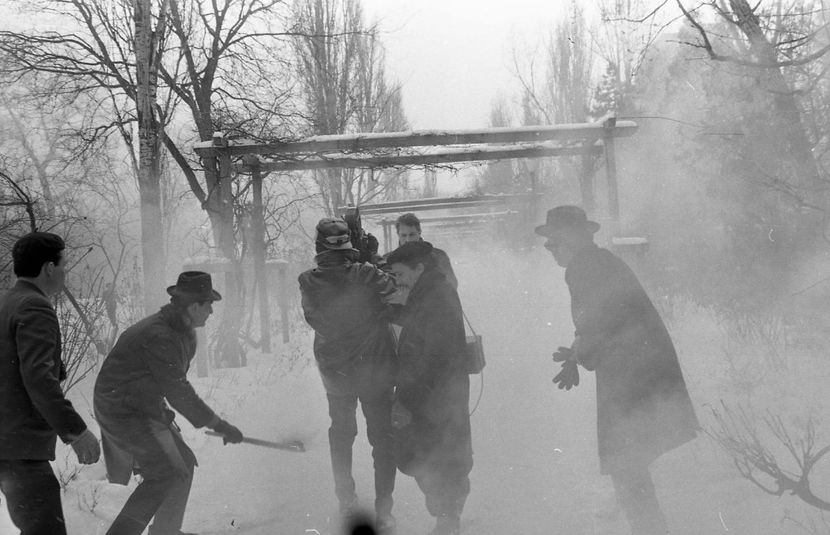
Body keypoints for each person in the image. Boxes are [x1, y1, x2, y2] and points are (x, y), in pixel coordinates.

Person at [536, 205, 699, 535]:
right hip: (638, 372)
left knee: (625, 465)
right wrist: (577, 353)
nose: (549, 248)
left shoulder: (584, 268)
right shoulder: (597, 263)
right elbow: (599, 321)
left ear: (572, 238)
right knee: (628, 465)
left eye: (553, 241)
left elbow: (598, 322)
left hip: (634, 375)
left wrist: (581, 353)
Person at [94, 271, 244, 535]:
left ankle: (166, 531)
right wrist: (218, 424)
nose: (211, 311)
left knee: (182, 463)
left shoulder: (181, 330)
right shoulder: (160, 334)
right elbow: (178, 391)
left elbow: (159, 382)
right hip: (121, 409)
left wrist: (160, 411)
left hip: (137, 404)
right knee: (164, 471)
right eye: (208, 304)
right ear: (194, 306)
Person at [298, 218, 399, 533]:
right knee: (381, 438)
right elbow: (393, 286)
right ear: (348, 244)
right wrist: (372, 257)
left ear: (319, 247)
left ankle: (346, 501)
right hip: (374, 370)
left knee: (341, 435)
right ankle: (384, 509)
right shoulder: (367, 273)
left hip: (335, 372)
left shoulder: (307, 281)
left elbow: (315, 318)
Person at [0, 231, 101, 535]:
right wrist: (76, 432)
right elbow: (39, 380)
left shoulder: (7, 302)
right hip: (21, 447)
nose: (65, 273)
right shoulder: (35, 306)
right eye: (64, 265)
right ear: (48, 268)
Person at [385, 241, 473, 535]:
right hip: (436, 394)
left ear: (419, 268)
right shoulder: (429, 292)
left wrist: (406, 401)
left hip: (434, 396)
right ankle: (447, 514)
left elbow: (434, 357)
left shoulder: (436, 297)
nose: (398, 281)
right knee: (434, 455)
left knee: (435, 456)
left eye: (400, 274)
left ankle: (448, 519)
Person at [394, 213, 457, 289]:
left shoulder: (438, 256)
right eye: (403, 235)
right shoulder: (390, 261)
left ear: (419, 232)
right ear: (398, 234)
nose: (408, 240)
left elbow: (452, 285)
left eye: (412, 235)